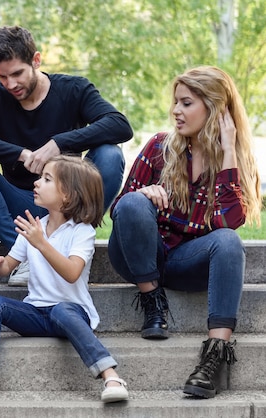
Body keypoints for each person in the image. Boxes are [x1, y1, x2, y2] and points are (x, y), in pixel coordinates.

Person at [107, 66, 261, 398]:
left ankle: (213, 358)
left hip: (186, 263)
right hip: (139, 256)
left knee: (229, 241)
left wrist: (230, 150)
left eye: (186, 103)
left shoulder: (234, 162)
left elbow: (230, 222)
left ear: (215, 108)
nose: (176, 111)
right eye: (176, 102)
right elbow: (118, 211)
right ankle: (152, 301)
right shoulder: (159, 146)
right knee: (133, 203)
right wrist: (143, 195)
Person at [0, 26, 133, 287]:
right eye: (2, 76)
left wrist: (59, 143)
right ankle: (23, 253)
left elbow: (119, 125)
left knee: (110, 155)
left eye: (17, 74)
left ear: (36, 60)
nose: (10, 84)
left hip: (68, 204)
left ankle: (76, 241)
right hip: (19, 206)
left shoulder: (74, 89)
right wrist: (19, 153)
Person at [0, 154, 129, 403]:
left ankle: (110, 376)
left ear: (67, 195)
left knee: (62, 311)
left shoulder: (82, 232)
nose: (36, 183)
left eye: (46, 179)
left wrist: (41, 243)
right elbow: (7, 268)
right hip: (36, 313)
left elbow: (71, 272)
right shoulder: (35, 228)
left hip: (72, 314)